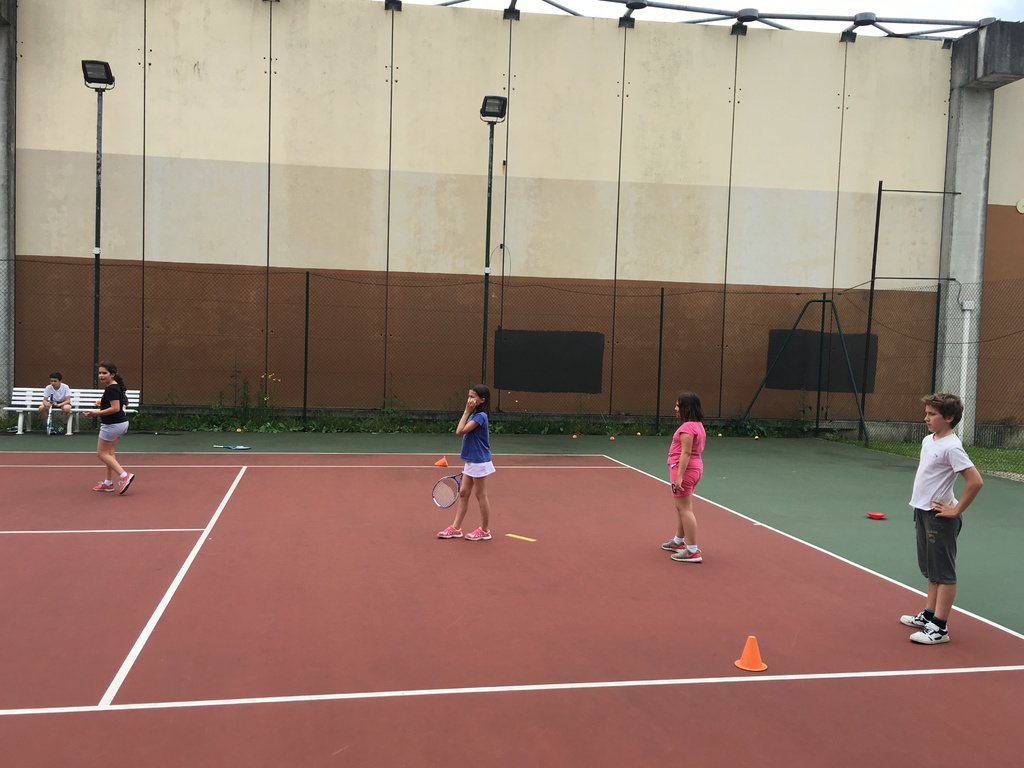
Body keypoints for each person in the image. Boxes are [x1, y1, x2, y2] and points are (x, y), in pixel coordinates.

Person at [900, 392, 983, 645]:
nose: (926, 418)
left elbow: (975, 481)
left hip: (940, 518)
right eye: (926, 413)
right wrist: (918, 504)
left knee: (943, 573)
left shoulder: (952, 447)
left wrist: (955, 510)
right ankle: (929, 614)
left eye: (932, 414)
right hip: (923, 512)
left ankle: (939, 627)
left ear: (949, 417)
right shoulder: (929, 440)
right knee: (931, 569)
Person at [437, 385, 495, 541]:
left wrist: (466, 411)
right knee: (463, 493)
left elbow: (459, 431)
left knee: (480, 495)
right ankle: (456, 528)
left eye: (473, 397)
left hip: (479, 460)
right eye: (469, 396)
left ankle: (485, 530)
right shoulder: (474, 414)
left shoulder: (480, 416)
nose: (469, 399)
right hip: (471, 460)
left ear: (482, 400)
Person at [661, 391, 707, 563]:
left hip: (685, 470)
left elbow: (686, 453)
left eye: (678, 406)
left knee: (685, 509)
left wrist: (679, 476)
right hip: (694, 469)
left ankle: (692, 550)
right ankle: (678, 541)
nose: (675, 409)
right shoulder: (698, 425)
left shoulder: (687, 428)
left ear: (687, 408)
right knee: (683, 507)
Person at [84, 361, 135, 495]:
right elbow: (114, 405)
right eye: (100, 373)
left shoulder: (111, 389)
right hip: (120, 424)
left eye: (104, 373)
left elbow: (115, 408)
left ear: (112, 374)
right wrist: (102, 404)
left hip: (112, 425)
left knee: (101, 454)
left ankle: (124, 475)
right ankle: (108, 483)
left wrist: (95, 413)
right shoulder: (114, 387)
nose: (101, 375)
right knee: (110, 453)